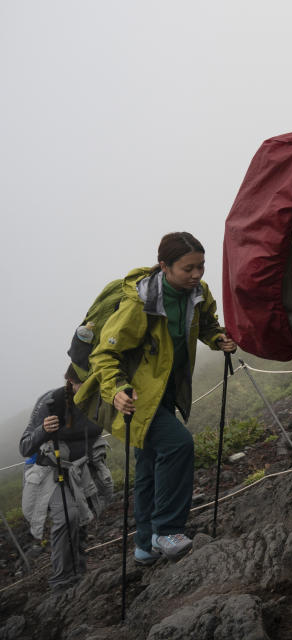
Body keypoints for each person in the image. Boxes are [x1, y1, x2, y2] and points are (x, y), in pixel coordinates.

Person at [93, 232, 237, 564]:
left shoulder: (197, 293)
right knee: (178, 445)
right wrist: (115, 390)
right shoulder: (139, 303)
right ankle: (167, 531)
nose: (197, 274)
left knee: (147, 468)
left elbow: (207, 325)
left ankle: (145, 547)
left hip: (169, 391)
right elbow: (104, 354)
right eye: (188, 268)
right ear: (164, 266)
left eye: (200, 266)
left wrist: (218, 340)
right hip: (138, 398)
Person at [19, 367, 112, 589]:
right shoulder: (52, 402)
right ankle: (61, 580)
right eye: (84, 383)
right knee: (68, 515)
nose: (88, 389)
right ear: (70, 381)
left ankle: (78, 572)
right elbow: (25, 446)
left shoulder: (100, 402)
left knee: (80, 516)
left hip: (79, 470)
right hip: (49, 470)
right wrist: (43, 430)